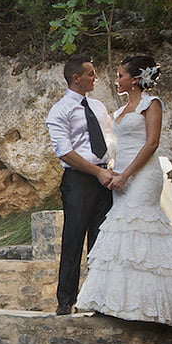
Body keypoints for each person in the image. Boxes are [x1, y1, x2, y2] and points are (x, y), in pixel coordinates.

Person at [76, 55, 172, 329]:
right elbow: (118, 144)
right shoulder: (121, 111)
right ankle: (119, 303)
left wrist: (127, 175)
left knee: (143, 227)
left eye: (121, 75)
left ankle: (156, 306)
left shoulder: (152, 104)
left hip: (143, 176)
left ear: (135, 79)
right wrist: (112, 171)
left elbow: (151, 144)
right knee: (121, 230)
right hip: (120, 176)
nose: (117, 80)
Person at [45, 55, 115, 315]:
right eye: (91, 74)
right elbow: (64, 151)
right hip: (78, 180)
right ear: (76, 78)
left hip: (104, 179)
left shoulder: (98, 106)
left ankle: (98, 300)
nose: (95, 78)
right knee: (74, 239)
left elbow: (109, 139)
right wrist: (96, 172)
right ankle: (65, 302)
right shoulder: (60, 110)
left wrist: (110, 168)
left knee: (101, 240)